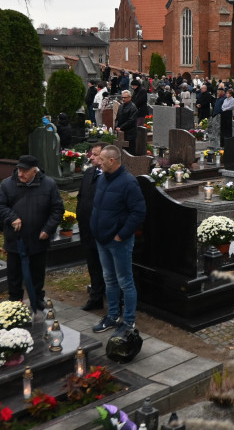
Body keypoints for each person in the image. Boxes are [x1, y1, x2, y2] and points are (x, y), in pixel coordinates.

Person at [0, 155, 65, 312]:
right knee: (14, 275)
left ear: (34, 171)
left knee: (37, 273)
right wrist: (12, 217)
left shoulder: (49, 185)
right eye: (19, 170)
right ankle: (15, 303)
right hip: (15, 240)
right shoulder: (7, 184)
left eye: (24, 171)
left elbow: (57, 210)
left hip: (39, 239)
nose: (20, 174)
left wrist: (48, 229)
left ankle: (37, 300)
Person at [90, 144, 147, 336]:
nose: (98, 161)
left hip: (118, 241)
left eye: (102, 159)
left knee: (125, 281)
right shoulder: (103, 179)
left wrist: (121, 234)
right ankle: (113, 316)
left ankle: (128, 322)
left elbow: (138, 212)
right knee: (109, 279)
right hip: (102, 238)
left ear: (112, 161)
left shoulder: (128, 182)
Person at [77, 143, 108, 311]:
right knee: (93, 264)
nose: (91, 157)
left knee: (107, 266)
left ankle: (113, 299)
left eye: (95, 155)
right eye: (92, 154)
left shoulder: (110, 176)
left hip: (102, 230)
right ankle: (95, 297)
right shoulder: (89, 172)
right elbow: (82, 196)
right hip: (86, 227)